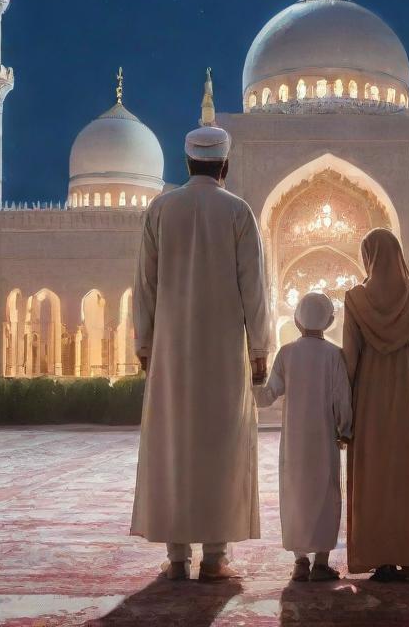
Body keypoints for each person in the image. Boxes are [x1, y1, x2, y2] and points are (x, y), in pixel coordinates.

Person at [130, 125, 270, 582]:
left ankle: (176, 558)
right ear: (225, 166)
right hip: (224, 351)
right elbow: (254, 288)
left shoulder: (161, 209)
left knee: (175, 446)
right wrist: (260, 348)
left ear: (187, 163)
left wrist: (145, 343)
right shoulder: (238, 212)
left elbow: (145, 286)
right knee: (220, 448)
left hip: (172, 352)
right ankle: (214, 557)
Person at [342, 227, 409, 582]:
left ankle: (379, 557)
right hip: (407, 392)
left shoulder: (355, 300)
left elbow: (349, 359)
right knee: (405, 471)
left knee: (375, 473)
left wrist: (343, 405)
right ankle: (408, 556)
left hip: (369, 396)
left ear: (369, 257)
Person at [255, 291, 353, 583]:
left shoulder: (287, 353)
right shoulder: (335, 355)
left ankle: (300, 561)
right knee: (325, 494)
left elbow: (267, 395)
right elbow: (342, 399)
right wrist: (345, 430)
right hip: (325, 441)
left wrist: (248, 378)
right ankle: (321, 563)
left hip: (295, 441)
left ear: (297, 321)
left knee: (295, 494)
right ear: (330, 320)